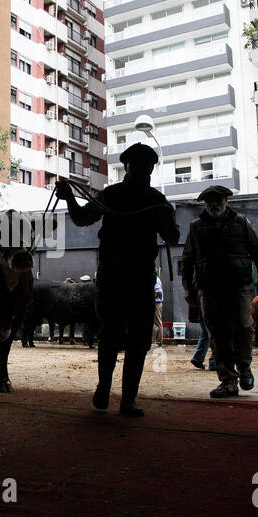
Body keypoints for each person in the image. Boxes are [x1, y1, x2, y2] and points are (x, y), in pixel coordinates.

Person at [54, 143, 179, 417]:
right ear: (128, 166)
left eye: (147, 163)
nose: (143, 167)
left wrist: (168, 218)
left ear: (151, 168)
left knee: (133, 341)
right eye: (138, 162)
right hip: (117, 278)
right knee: (116, 337)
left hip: (137, 279)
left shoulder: (154, 201)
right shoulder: (118, 196)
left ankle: (123, 396)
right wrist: (69, 199)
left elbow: (172, 237)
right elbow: (83, 218)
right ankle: (108, 388)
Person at [181, 184, 258, 398]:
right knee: (217, 335)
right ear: (205, 203)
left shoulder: (240, 223)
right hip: (209, 288)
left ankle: (245, 368)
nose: (214, 204)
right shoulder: (196, 227)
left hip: (239, 286)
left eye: (218, 200)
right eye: (209, 200)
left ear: (226, 201)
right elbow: (187, 259)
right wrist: (187, 288)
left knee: (243, 326)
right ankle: (228, 380)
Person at [152, 265, 164, 348]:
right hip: (155, 303)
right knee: (154, 322)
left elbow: (158, 292)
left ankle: (158, 342)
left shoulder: (156, 280)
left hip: (157, 303)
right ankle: (154, 341)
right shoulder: (154, 279)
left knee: (157, 322)